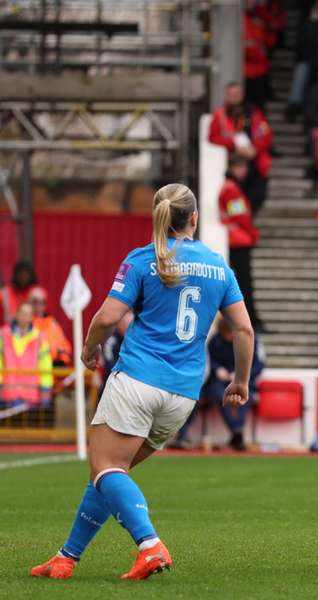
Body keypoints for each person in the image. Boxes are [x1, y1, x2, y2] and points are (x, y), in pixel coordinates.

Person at [30, 184, 253, 580]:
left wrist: (88, 349)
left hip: (138, 380)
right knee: (113, 473)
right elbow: (244, 331)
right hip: (183, 393)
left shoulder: (143, 259)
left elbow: (106, 318)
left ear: (158, 216)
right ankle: (66, 558)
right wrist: (241, 381)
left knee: (105, 468)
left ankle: (150, 546)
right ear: (195, 219)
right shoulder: (219, 266)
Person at [176, 318, 265, 451]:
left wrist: (240, 374)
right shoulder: (215, 341)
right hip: (217, 382)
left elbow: (258, 364)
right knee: (217, 395)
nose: (228, 338)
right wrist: (217, 369)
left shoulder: (251, 341)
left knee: (243, 398)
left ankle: (237, 433)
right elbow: (209, 361)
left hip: (243, 380)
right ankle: (236, 433)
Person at [208, 82, 273, 214]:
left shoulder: (253, 112)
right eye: (230, 95)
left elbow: (266, 133)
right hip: (232, 165)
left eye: (236, 94)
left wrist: (254, 149)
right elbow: (212, 137)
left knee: (257, 196)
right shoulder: (220, 114)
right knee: (235, 201)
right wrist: (233, 144)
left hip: (255, 166)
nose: (234, 98)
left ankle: (246, 218)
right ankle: (240, 219)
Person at [219, 156, 261, 328]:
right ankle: (251, 318)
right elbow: (240, 215)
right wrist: (252, 233)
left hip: (238, 240)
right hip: (239, 241)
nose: (244, 171)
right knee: (244, 282)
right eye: (240, 167)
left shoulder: (231, 187)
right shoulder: (231, 189)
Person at [0, 302, 52, 408]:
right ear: (16, 314)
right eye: (22, 313)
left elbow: (45, 366)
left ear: (31, 317)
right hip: (7, 394)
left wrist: (45, 390)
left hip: (31, 396)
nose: (25, 317)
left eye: (28, 314)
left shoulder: (40, 337)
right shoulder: (3, 334)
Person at [28, 286, 72, 366]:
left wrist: (62, 360)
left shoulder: (52, 324)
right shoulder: (24, 323)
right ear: (29, 303)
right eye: (35, 301)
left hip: (51, 370)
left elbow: (64, 346)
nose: (38, 305)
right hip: (30, 368)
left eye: (42, 302)